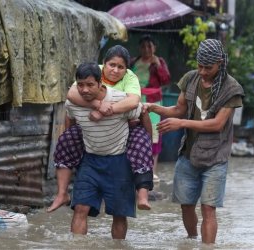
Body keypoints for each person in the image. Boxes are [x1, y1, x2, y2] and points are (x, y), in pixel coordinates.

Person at [144, 39, 244, 244]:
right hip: (188, 154)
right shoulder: (191, 78)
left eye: (208, 67)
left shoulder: (231, 88)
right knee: (186, 205)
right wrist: (155, 108)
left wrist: (181, 123)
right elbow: (179, 109)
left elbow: (217, 124)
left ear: (220, 63)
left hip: (215, 157)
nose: (203, 71)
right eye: (200, 66)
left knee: (208, 208)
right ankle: (191, 240)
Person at [47, 45, 154, 213]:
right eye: (112, 65)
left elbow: (134, 103)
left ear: (126, 70)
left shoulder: (130, 78)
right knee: (66, 139)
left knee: (141, 143)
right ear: (103, 65)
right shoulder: (91, 73)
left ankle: (142, 194)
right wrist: (97, 105)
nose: (115, 70)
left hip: (127, 122)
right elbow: (71, 95)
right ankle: (62, 194)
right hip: (93, 131)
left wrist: (106, 111)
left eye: (121, 67)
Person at [66, 62, 143, 239]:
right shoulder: (73, 102)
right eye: (80, 85)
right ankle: (77, 245)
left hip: (119, 162)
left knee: (119, 213)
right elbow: (69, 121)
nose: (84, 90)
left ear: (101, 84)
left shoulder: (120, 99)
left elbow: (140, 113)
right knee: (80, 208)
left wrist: (144, 153)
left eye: (90, 85)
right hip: (90, 161)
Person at [130, 34, 171, 182]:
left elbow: (166, 80)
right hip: (135, 100)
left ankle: (152, 170)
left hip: (153, 102)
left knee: (154, 132)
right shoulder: (133, 61)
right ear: (139, 48)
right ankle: (136, 167)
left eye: (149, 46)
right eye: (143, 46)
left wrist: (159, 66)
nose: (146, 49)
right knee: (134, 129)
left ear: (154, 48)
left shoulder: (159, 62)